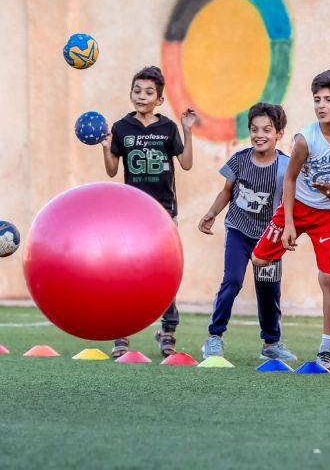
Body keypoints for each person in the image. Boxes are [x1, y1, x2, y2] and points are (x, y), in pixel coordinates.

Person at [251, 69, 330, 371]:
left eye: (329, 99)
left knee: (328, 277)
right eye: (317, 99)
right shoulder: (305, 138)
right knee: (259, 260)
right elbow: (289, 179)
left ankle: (327, 348)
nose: (321, 105)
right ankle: (272, 332)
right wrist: (288, 224)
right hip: (299, 207)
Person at [100, 65, 196, 358]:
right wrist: (106, 147)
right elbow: (112, 170)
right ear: (131, 94)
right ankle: (121, 333)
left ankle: (167, 331)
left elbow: (187, 164)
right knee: (124, 274)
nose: (142, 96)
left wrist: (187, 131)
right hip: (133, 214)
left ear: (160, 99)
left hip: (164, 213)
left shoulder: (167, 128)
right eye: (137, 90)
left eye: (149, 92)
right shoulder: (121, 128)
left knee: (164, 274)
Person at [198, 103, 297, 363]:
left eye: (267, 129)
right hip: (239, 230)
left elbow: (289, 201)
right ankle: (214, 336)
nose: (259, 134)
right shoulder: (239, 160)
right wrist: (212, 213)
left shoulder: (286, 167)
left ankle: (271, 342)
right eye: (254, 129)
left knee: (268, 289)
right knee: (232, 280)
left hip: (269, 237)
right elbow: (227, 191)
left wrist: (289, 229)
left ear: (279, 133)